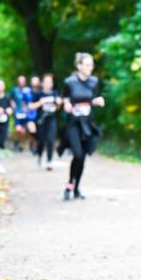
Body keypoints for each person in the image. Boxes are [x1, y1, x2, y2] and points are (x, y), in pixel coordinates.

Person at [60, 53, 104, 200]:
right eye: (87, 65)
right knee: (77, 154)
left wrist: (97, 101)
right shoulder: (69, 82)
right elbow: (65, 98)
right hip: (74, 124)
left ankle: (76, 188)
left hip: (88, 124)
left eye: (92, 65)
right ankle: (69, 183)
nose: (90, 67)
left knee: (83, 158)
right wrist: (66, 104)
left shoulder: (94, 81)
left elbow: (92, 99)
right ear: (79, 66)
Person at [32, 73, 61, 170]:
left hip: (51, 119)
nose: (48, 84)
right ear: (42, 83)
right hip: (41, 120)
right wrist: (41, 102)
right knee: (41, 141)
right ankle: (39, 157)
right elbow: (31, 106)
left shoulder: (55, 93)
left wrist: (58, 103)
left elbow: (58, 107)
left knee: (51, 139)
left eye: (50, 82)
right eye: (46, 82)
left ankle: (49, 161)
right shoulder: (38, 94)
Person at [10, 75, 35, 152]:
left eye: (23, 81)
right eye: (20, 81)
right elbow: (10, 99)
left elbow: (32, 100)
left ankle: (27, 144)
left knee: (28, 129)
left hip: (27, 113)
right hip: (18, 112)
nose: (21, 82)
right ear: (18, 82)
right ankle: (18, 142)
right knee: (19, 130)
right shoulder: (14, 90)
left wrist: (29, 108)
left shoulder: (29, 90)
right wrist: (13, 105)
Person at [27, 75, 42, 154]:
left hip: (40, 115)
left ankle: (36, 146)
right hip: (30, 115)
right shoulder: (27, 92)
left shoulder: (42, 92)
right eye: (33, 81)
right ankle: (32, 143)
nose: (35, 83)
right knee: (33, 131)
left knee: (39, 133)